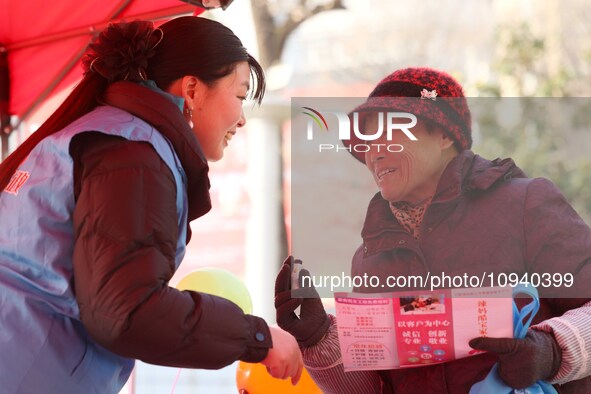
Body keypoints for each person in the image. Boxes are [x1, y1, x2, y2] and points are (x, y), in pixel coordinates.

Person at [0, 16, 303, 393]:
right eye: (240, 96)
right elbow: (126, 309)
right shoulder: (133, 156)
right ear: (192, 90)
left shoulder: (108, 134)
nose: (242, 119)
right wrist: (257, 337)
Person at [274, 67, 591, 393]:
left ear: (444, 135)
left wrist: (552, 350)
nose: (374, 152)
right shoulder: (370, 259)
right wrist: (319, 339)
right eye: (367, 141)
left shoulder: (526, 204)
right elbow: (374, 389)